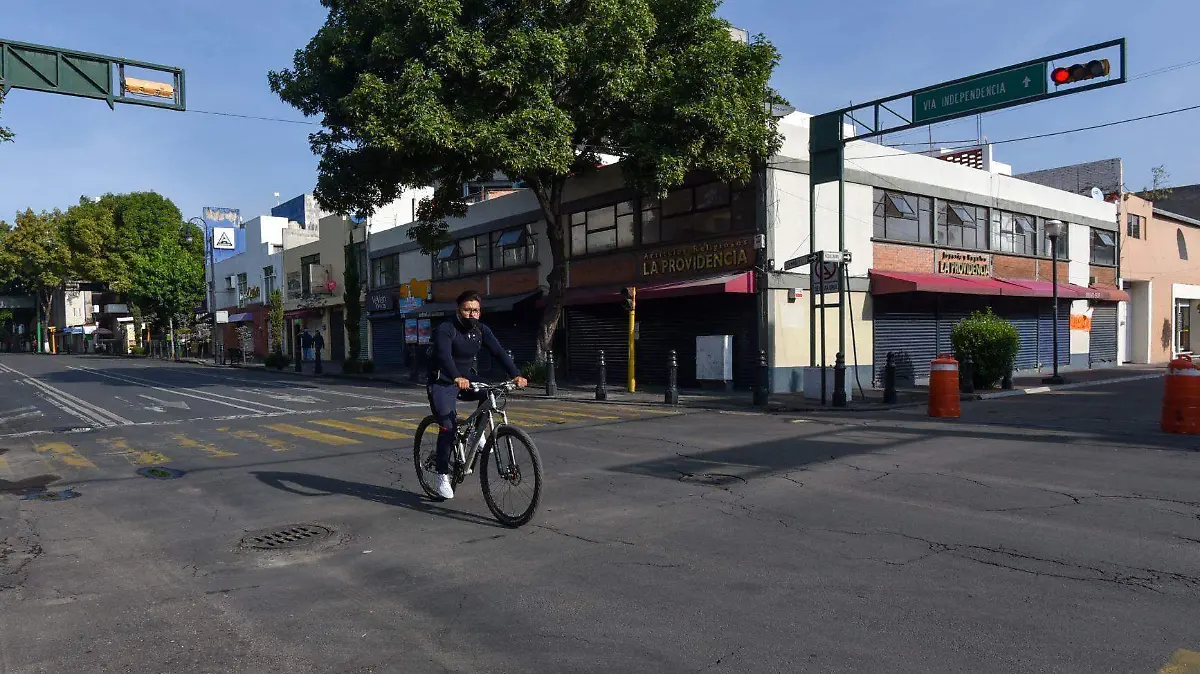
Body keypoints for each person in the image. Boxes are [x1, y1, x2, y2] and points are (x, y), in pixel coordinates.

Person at [425, 290, 527, 499]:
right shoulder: (446, 329)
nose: (472, 314)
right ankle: (442, 475)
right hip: (443, 382)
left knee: (489, 391)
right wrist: (455, 377)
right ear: (458, 310)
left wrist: (516, 375)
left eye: (476, 310)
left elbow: (498, 352)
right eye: (467, 309)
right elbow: (444, 356)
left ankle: (475, 433)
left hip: (466, 380)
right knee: (448, 426)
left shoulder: (481, 330)